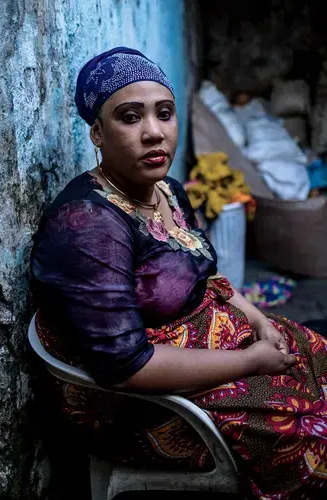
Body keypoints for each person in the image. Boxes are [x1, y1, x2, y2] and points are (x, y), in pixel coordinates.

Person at [31, 47, 327, 499]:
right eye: (130, 117)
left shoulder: (165, 190)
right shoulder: (90, 225)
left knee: (315, 353)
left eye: (164, 114)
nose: (154, 133)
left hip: (207, 344)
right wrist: (251, 361)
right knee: (306, 430)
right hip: (142, 405)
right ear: (96, 131)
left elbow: (206, 275)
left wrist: (257, 319)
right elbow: (125, 366)